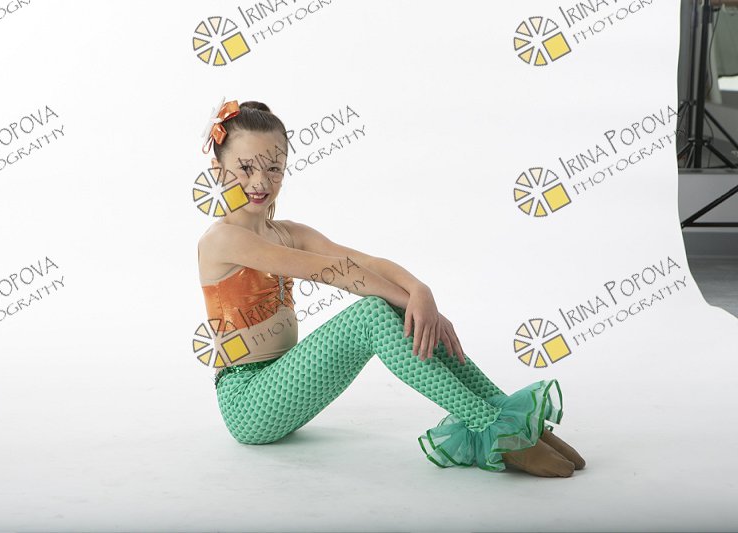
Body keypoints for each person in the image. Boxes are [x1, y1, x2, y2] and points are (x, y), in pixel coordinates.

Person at [197, 98, 586, 477]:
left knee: (396, 307)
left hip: (284, 383)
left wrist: (420, 291)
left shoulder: (287, 232)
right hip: (247, 402)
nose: (260, 181)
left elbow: (364, 262)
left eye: (274, 168)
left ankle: (510, 417)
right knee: (373, 313)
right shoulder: (223, 239)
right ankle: (492, 428)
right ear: (218, 169)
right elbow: (332, 270)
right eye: (245, 168)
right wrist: (415, 305)